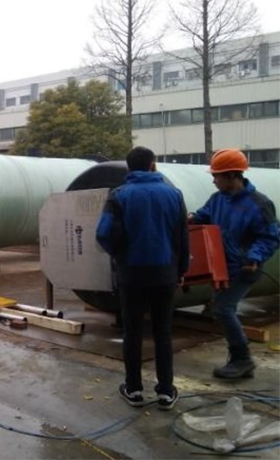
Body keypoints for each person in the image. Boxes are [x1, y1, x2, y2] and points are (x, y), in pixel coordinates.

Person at [96, 146, 189, 410]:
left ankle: (134, 389)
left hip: (132, 275)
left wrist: (120, 256)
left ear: (129, 167)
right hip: (165, 274)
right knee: (163, 332)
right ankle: (166, 392)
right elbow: (182, 237)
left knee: (133, 332)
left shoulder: (119, 196)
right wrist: (181, 270)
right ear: (153, 165)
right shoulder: (174, 194)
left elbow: (103, 233)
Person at [188, 148, 279, 379]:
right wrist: (190, 219)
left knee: (223, 309)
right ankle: (239, 359)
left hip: (246, 267)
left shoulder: (259, 204)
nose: (213, 180)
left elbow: (269, 237)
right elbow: (203, 216)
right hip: (223, 266)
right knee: (221, 309)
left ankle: (242, 359)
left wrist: (254, 257)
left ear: (231, 176)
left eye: (216, 176)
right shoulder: (217, 199)